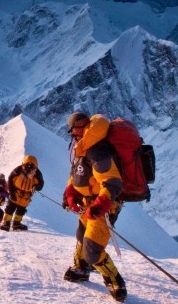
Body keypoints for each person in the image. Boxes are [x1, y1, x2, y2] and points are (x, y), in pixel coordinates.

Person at [62, 112, 127, 302]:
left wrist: (100, 205)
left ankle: (115, 281)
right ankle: (80, 268)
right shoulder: (83, 147)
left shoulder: (96, 150)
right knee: (81, 236)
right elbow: (77, 175)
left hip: (103, 208)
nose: (72, 132)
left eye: (74, 128)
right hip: (88, 204)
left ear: (82, 127)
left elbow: (112, 182)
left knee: (92, 249)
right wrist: (70, 191)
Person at [1, 155, 44, 231]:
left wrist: (36, 187)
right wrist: (12, 192)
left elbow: (41, 184)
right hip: (16, 192)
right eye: (27, 165)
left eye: (31, 166)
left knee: (21, 209)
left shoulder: (37, 174)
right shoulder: (18, 170)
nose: (29, 168)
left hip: (26, 195)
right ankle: (6, 223)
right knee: (11, 208)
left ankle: (16, 223)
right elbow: (10, 179)